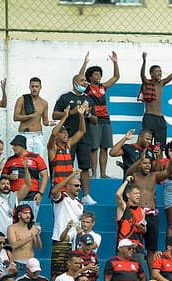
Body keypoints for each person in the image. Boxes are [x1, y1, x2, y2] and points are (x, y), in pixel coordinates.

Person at [52, 73, 97, 205]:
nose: (85, 83)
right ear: (74, 82)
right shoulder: (65, 98)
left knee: (85, 166)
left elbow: (95, 119)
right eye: (82, 81)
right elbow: (54, 115)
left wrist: (87, 113)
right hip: (68, 138)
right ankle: (65, 193)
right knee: (67, 166)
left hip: (84, 137)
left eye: (85, 81)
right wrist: (70, 112)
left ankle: (86, 195)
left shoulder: (89, 99)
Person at [139, 49, 172, 148]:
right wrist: (144, 61)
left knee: (160, 147)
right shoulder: (147, 83)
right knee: (146, 146)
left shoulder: (161, 83)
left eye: (160, 71)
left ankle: (159, 163)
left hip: (160, 119)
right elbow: (142, 75)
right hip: (149, 117)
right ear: (151, 74)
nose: (160, 73)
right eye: (157, 71)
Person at [79, 51, 119, 179]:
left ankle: (103, 174)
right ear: (90, 77)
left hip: (106, 119)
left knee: (104, 147)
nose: (98, 76)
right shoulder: (87, 88)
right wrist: (85, 63)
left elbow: (116, 77)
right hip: (94, 119)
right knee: (94, 148)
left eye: (99, 74)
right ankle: (94, 174)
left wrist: (115, 62)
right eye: (96, 74)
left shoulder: (103, 86)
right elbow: (80, 77)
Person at [1, 135, 49, 218]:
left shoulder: (36, 157)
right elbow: (3, 175)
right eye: (13, 146)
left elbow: (45, 175)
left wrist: (40, 193)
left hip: (32, 194)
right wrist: (9, 176)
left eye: (15, 145)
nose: (13, 148)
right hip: (15, 195)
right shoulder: (10, 160)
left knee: (30, 221)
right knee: (13, 220)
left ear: (22, 145)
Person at [12, 77, 54, 163]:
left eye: (36, 86)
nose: (34, 88)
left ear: (40, 87)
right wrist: (30, 116)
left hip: (38, 135)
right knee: (24, 160)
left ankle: (37, 176)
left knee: (38, 161)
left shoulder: (44, 103)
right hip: (25, 134)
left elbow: (45, 122)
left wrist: (50, 123)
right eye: (32, 86)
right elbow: (15, 117)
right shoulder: (22, 99)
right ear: (29, 87)